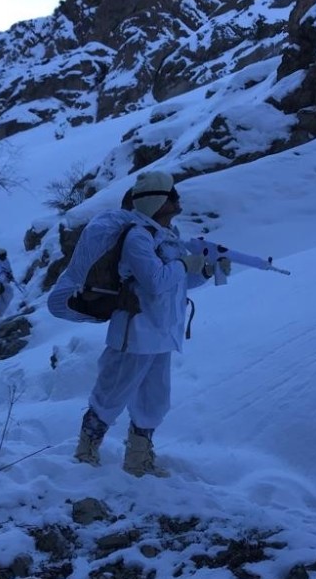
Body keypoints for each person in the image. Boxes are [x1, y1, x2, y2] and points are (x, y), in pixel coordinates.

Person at [74, 170, 228, 477]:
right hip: (135, 333)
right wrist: (185, 263)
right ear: (158, 201)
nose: (177, 200)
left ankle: (138, 460)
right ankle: (85, 452)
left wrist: (207, 271)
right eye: (171, 195)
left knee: (154, 400)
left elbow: (177, 283)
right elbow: (156, 281)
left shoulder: (167, 236)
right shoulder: (138, 238)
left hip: (161, 333)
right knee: (111, 394)